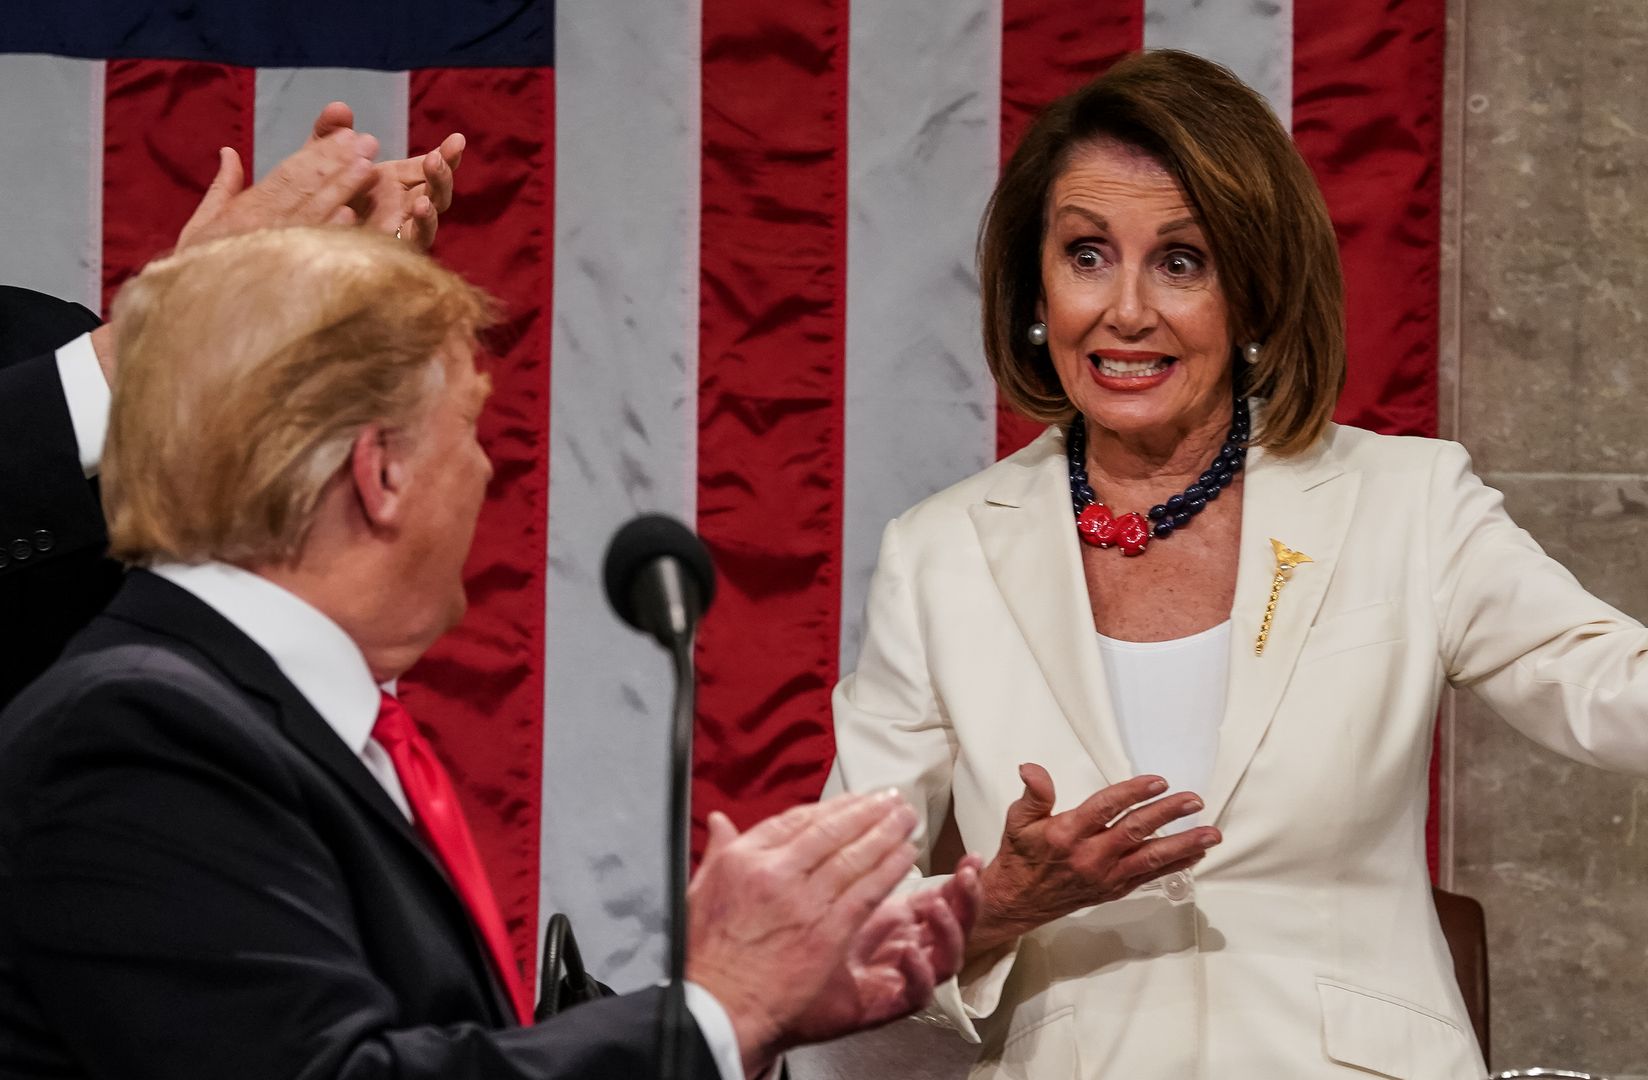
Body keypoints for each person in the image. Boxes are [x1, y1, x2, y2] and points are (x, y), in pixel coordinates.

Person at [825, 49, 1648, 1078]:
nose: (1127, 311)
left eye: (1183, 261)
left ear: (1251, 293)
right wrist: (996, 905)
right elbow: (838, 935)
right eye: (1087, 254)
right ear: (1034, 289)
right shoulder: (944, 554)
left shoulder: (1407, 505)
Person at [0, 227, 983, 1079]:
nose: (487, 469)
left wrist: (750, 1019)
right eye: (466, 428)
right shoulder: (137, 736)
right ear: (378, 472)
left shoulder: (281, 722)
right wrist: (716, 1011)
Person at [0, 101, 463, 706]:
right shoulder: (77, 360)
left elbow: (219, 582)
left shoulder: (42, 334)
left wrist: (311, 322)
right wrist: (149, 347)